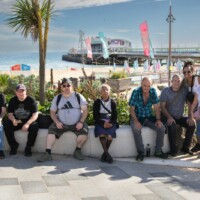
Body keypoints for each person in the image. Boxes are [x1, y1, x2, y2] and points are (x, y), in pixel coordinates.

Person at [37, 78, 88, 162]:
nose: (66, 87)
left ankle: (78, 150)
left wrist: (81, 122)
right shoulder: (58, 98)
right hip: (61, 123)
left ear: (72, 86)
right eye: (64, 86)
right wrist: (57, 122)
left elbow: (85, 110)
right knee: (51, 131)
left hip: (77, 123)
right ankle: (48, 153)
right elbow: (52, 112)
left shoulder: (78, 96)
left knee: (84, 131)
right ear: (61, 87)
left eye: (68, 85)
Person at [129, 77, 168, 161]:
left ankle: (158, 151)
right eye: (144, 85)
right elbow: (131, 110)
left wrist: (158, 120)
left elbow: (157, 108)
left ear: (151, 85)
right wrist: (136, 121)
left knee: (162, 128)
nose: (146, 87)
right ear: (141, 85)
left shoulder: (153, 91)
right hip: (137, 116)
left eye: (148, 85)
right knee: (136, 129)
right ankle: (141, 152)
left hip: (148, 117)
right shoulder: (136, 92)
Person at [160, 75, 196, 157]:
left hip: (179, 117)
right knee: (172, 125)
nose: (177, 82)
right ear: (171, 81)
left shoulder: (184, 90)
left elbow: (190, 102)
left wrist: (190, 116)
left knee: (192, 124)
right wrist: (169, 117)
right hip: (168, 116)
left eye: (178, 81)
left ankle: (185, 147)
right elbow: (162, 106)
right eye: (175, 80)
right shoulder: (165, 91)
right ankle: (173, 150)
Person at [3, 84, 39, 157]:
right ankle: (13, 145)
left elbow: (35, 115)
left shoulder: (31, 100)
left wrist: (27, 124)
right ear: (16, 92)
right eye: (19, 91)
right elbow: (10, 114)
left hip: (27, 121)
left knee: (35, 126)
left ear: (26, 91)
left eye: (22, 91)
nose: (21, 93)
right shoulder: (12, 100)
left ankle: (28, 147)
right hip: (17, 121)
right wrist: (13, 120)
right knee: (6, 124)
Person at [93, 84, 118, 163]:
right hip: (100, 122)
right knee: (102, 134)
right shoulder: (97, 102)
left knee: (110, 136)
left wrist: (111, 123)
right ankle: (108, 155)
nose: (105, 91)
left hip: (110, 122)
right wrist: (102, 124)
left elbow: (115, 116)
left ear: (109, 92)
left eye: (107, 89)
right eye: (103, 90)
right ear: (100, 92)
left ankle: (104, 155)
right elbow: (95, 116)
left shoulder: (113, 102)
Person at [181, 61, 200, 154]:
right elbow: (189, 101)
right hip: (195, 106)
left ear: (192, 71)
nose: (186, 74)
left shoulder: (197, 79)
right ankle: (198, 144)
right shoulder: (185, 83)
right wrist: (189, 116)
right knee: (196, 126)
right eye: (184, 72)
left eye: (188, 72)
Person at [0, 93, 6, 159]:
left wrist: (0, 119)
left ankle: (0, 150)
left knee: (0, 127)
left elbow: (3, 111)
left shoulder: (1, 96)